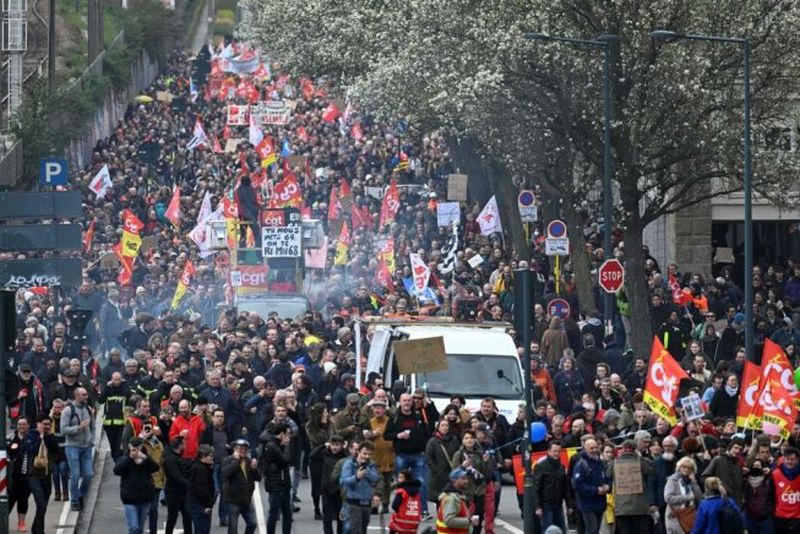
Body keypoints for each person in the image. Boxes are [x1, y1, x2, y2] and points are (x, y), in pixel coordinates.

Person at [385, 392, 430, 515]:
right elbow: (386, 435)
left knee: (421, 482)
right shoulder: (394, 417)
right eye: (404, 400)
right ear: (400, 401)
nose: (407, 403)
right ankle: (400, 508)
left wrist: (424, 447)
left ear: (412, 402)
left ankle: (423, 510)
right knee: (402, 484)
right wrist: (397, 435)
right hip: (402, 455)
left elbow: (427, 432)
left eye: (409, 400)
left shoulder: (418, 416)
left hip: (418, 455)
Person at [606, 439, 658, 532]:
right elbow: (652, 472)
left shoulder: (614, 463)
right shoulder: (642, 462)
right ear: (635, 449)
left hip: (622, 508)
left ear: (623, 449)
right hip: (640, 508)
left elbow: (607, 475)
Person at [114, 437, 160, 534]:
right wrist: (130, 458)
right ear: (130, 447)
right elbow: (117, 470)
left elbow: (156, 468)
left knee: (139, 528)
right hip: (129, 499)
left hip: (145, 499)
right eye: (133, 446)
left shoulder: (145, 457)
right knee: (134, 527)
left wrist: (145, 459)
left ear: (141, 446)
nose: (135, 449)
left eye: (137, 446)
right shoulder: (124, 458)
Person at [22, 415, 58, 534]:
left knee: (43, 507)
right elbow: (31, 450)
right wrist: (40, 437)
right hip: (33, 476)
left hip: (47, 476)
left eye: (48, 424)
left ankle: (38, 529)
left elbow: (57, 451)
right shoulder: (30, 436)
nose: (46, 427)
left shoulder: (50, 437)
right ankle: (37, 531)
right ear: (38, 424)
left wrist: (48, 436)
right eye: (44, 424)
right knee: (41, 505)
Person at [61, 387, 95, 511]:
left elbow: (93, 427)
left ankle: (80, 494)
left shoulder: (88, 409)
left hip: (86, 447)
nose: (85, 397)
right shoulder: (68, 411)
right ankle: (74, 500)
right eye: (82, 395)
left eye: (86, 395)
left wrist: (92, 440)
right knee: (75, 474)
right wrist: (78, 428)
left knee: (89, 474)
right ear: (76, 396)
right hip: (72, 446)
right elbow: (63, 430)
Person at [571, 437, 610, 534]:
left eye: (596, 447)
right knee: (592, 530)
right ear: (586, 449)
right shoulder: (581, 464)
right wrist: (595, 490)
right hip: (587, 504)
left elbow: (608, 477)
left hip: (600, 503)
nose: (595, 450)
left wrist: (607, 486)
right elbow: (578, 484)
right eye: (592, 448)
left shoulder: (601, 463)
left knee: (596, 529)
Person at [222, 438, 261, 534]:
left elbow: (258, 478)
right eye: (240, 448)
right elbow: (226, 474)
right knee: (233, 528)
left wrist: (254, 469)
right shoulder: (227, 460)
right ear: (235, 449)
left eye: (245, 449)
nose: (243, 451)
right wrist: (236, 461)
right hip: (233, 500)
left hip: (246, 500)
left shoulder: (248, 461)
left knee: (252, 523)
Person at [340, 441, 380, 534]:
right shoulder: (349, 464)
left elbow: (375, 478)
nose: (367, 456)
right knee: (356, 530)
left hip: (367, 503)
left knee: (363, 529)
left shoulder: (371, 464)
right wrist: (356, 477)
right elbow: (344, 481)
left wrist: (366, 469)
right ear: (358, 452)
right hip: (353, 503)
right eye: (364, 453)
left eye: (369, 454)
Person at [262, 422, 294, 534]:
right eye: (288, 434)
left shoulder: (277, 445)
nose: (289, 437)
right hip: (276, 485)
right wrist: (287, 446)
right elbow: (285, 460)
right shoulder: (272, 446)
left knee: (287, 514)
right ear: (281, 434)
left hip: (284, 484)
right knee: (274, 514)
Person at [532, 440, 569, 532]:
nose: (556, 453)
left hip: (558, 503)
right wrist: (537, 506)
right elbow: (536, 487)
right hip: (546, 504)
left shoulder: (561, 467)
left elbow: (565, 487)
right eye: (554, 451)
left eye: (558, 451)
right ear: (549, 451)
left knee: (561, 529)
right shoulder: (541, 466)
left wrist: (569, 505)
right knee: (548, 529)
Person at [425, 418, 460, 510]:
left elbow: (458, 454)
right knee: (439, 500)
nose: (445, 427)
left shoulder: (454, 440)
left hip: (451, 474)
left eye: (447, 425)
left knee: (451, 498)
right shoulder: (433, 441)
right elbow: (428, 457)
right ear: (438, 427)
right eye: (442, 425)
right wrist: (435, 469)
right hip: (438, 476)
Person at [664, 456, 702, 534]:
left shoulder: (692, 481)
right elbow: (668, 498)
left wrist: (694, 482)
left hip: (690, 514)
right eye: (684, 467)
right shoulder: (673, 480)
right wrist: (688, 497)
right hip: (676, 516)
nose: (686, 469)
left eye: (689, 468)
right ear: (679, 467)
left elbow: (699, 498)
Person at [163, 436, 193, 534]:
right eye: (184, 443)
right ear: (180, 446)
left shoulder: (179, 457)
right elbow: (176, 477)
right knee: (172, 517)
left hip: (183, 492)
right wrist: (190, 485)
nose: (186, 445)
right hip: (173, 493)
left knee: (187, 517)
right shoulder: (170, 460)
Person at [436, 468, 480, 533]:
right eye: (463, 479)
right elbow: (449, 520)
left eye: (466, 478)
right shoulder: (451, 499)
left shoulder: (456, 495)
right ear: (455, 481)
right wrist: (470, 521)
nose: (466, 481)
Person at [320, 435, 348, 534]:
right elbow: (312, 455)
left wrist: (346, 449)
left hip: (339, 491)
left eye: (337, 445)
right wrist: (323, 446)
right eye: (332, 445)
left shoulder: (345, 457)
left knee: (340, 517)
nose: (334, 447)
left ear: (342, 446)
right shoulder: (325, 454)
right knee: (326, 518)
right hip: (326, 490)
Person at [187, 445, 216, 534]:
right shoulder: (201, 470)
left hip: (195, 504)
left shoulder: (198, 466)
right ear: (203, 456)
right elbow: (202, 489)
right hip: (200, 506)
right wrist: (208, 504)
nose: (212, 458)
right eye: (210, 456)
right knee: (202, 530)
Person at [771, 446, 800, 533]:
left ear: (798, 459)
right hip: (780, 517)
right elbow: (770, 495)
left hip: (798, 518)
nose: (789, 462)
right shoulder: (775, 474)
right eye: (787, 459)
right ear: (783, 458)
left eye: (792, 459)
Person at [742, 458, 774, 534]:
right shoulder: (746, 481)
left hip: (766, 516)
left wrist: (770, 473)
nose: (756, 467)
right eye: (754, 465)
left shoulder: (768, 480)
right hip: (750, 516)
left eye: (758, 465)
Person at [389, 469, 422, 534]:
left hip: (401, 521)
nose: (398, 479)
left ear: (406, 479)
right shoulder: (417, 492)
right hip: (414, 523)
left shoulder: (402, 491)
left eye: (401, 477)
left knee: (393, 523)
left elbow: (394, 505)